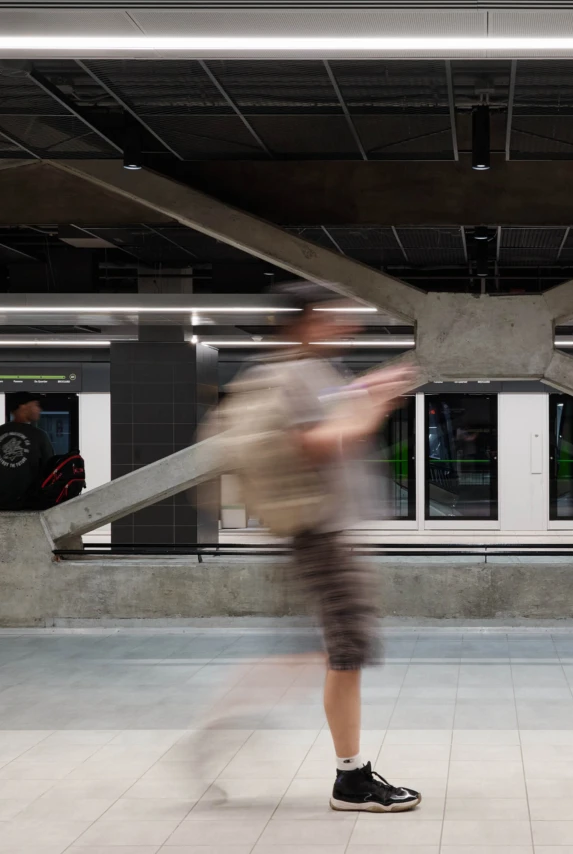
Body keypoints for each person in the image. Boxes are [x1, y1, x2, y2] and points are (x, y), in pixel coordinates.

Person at [203, 282, 421, 813]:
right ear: (306, 321)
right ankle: (350, 780)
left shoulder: (313, 373)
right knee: (344, 654)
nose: (345, 324)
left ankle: (218, 732)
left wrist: (364, 394)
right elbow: (319, 443)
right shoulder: (293, 375)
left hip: (328, 533)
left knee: (321, 655)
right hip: (322, 535)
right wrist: (376, 406)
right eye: (333, 316)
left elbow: (333, 424)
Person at [0, 393, 55, 511]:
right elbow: (50, 470)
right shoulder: (39, 436)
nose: (39, 409)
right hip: (30, 505)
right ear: (23, 406)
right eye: (35, 405)